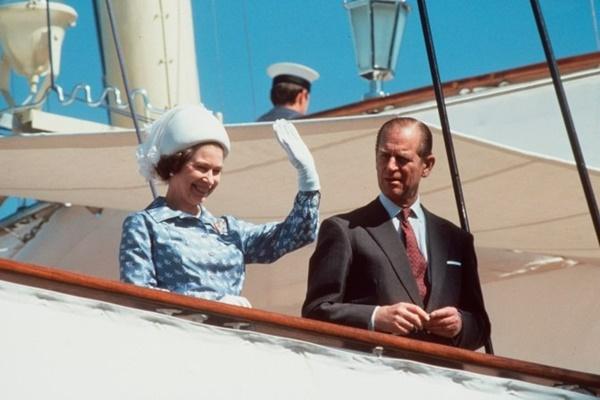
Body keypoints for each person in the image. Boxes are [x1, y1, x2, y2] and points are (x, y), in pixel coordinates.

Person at [302, 117, 490, 350]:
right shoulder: (345, 230)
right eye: (384, 156)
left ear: (427, 165)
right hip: (374, 368)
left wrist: (460, 324)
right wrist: (376, 317)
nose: (390, 167)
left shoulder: (456, 239)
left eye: (401, 159)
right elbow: (315, 312)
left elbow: (481, 327)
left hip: (439, 370)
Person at [119, 104, 320, 307]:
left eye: (216, 171)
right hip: (177, 327)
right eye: (201, 168)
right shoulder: (144, 224)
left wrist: (308, 179)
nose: (209, 179)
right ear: (173, 165)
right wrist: (215, 304)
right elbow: (139, 295)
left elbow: (296, 234)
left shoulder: (231, 231)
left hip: (233, 326)